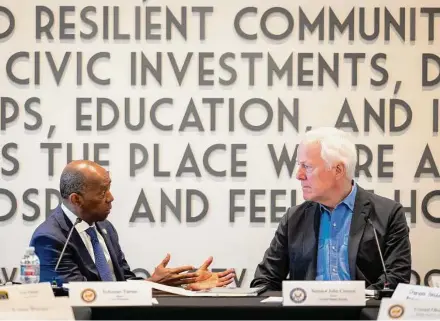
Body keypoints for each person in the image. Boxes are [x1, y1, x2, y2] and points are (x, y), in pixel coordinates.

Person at [30, 160, 234, 290]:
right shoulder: (50, 239)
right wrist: (151, 285)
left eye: (109, 189)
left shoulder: (104, 228)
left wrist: (183, 284)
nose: (111, 198)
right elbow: (83, 296)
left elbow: (124, 282)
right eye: (102, 193)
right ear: (76, 199)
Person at [250, 127, 411, 290]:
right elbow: (264, 281)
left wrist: (353, 301)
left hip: (363, 313)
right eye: (300, 166)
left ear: (338, 170)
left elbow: (395, 277)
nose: (299, 175)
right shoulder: (294, 219)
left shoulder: (387, 214)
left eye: (307, 167)